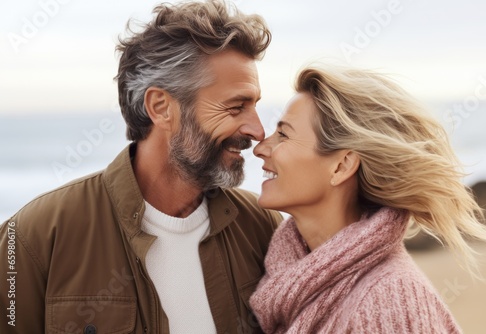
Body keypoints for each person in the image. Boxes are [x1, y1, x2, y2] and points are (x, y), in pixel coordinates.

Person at [0, 1, 282, 333]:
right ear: (161, 108)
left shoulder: (263, 227)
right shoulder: (35, 237)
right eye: (236, 107)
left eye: (254, 106)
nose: (258, 130)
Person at [249, 65, 486, 333]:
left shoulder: (390, 303)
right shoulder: (293, 279)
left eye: (284, 134)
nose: (261, 148)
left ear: (341, 166)